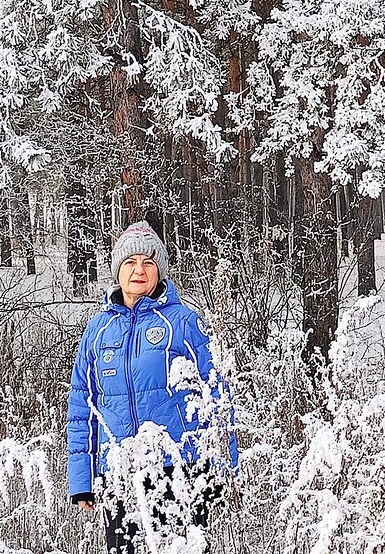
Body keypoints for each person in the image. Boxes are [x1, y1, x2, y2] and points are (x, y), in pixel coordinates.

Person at [67, 221, 237, 554]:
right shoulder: (98, 330)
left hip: (180, 467)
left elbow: (217, 395)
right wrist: (83, 480)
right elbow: (81, 406)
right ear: (118, 270)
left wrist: (223, 469)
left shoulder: (184, 322)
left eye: (148, 262)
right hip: (118, 470)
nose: (139, 270)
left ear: (160, 270)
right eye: (130, 262)